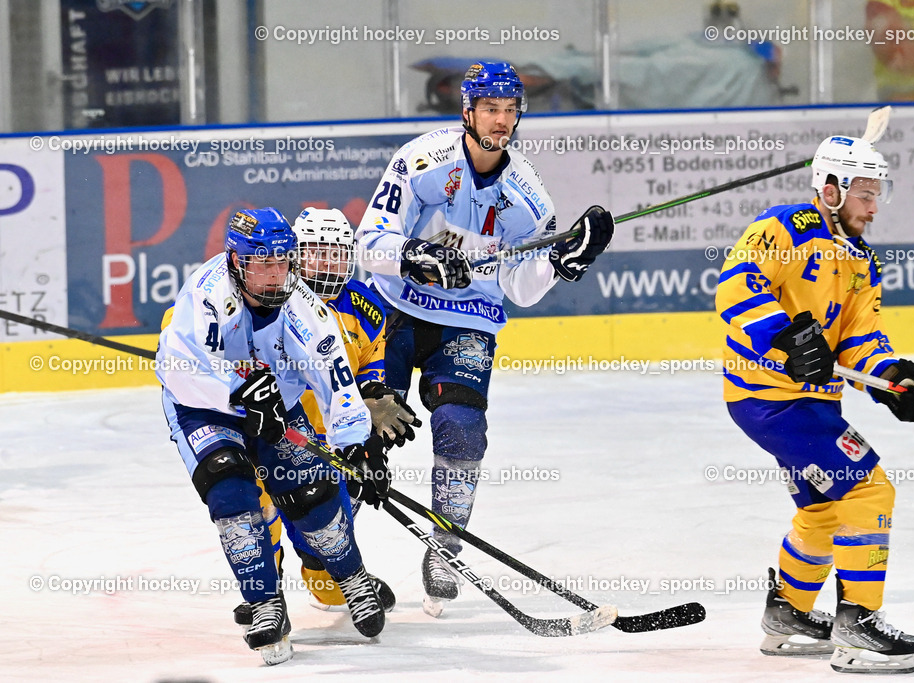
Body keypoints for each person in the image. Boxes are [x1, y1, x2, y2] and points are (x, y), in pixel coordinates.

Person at [355, 61, 614, 617]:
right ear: (467, 111)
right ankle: (338, 563)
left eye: (510, 109)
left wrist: (560, 263)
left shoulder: (529, 198)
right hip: (393, 310)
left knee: (464, 430)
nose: (501, 120)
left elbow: (519, 287)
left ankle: (445, 546)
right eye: (491, 109)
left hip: (469, 318)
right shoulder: (421, 161)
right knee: (355, 432)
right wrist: (413, 257)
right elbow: (368, 240)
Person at [715, 136, 914, 674]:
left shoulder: (861, 259)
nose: (873, 205)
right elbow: (735, 285)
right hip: (769, 398)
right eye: (864, 192)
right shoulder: (784, 228)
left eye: (877, 193)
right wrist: (787, 338)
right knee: (870, 488)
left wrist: (895, 381)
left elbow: (859, 340)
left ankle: (789, 613)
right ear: (830, 188)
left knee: (823, 508)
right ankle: (859, 624)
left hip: (811, 405)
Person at [157, 207, 391, 665]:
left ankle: (352, 576)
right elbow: (179, 369)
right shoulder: (206, 296)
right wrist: (237, 391)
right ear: (236, 263)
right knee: (230, 491)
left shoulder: (305, 308)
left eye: (282, 263)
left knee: (310, 492)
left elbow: (336, 382)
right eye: (261, 264)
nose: (273, 275)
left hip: (275, 407)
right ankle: (265, 603)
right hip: (201, 406)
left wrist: (357, 446)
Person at [231, 207, 420, 623]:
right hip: (270, 430)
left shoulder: (365, 305)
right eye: (316, 252)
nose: (328, 263)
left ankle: (329, 580)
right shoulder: (272, 296)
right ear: (296, 255)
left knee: (328, 525)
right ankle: (265, 592)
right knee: (261, 508)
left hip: (330, 441)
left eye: (336, 253)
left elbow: (369, 369)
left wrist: (369, 434)